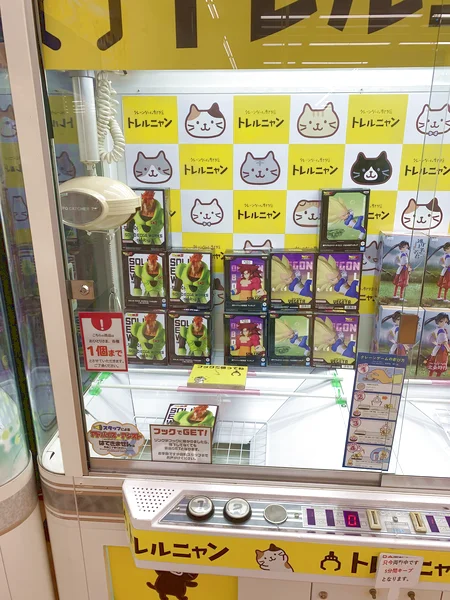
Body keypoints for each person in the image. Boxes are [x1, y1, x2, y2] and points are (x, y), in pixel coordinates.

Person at [424, 312, 450, 377]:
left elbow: (430, 338)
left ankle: (430, 376)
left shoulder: (437, 329)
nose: (443, 323)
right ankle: (436, 377)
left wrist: (437, 344)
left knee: (433, 361)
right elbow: (445, 342)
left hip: (437, 348)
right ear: (438, 321)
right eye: (441, 321)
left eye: (445, 321)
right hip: (442, 350)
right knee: (440, 363)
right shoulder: (441, 331)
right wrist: (448, 349)